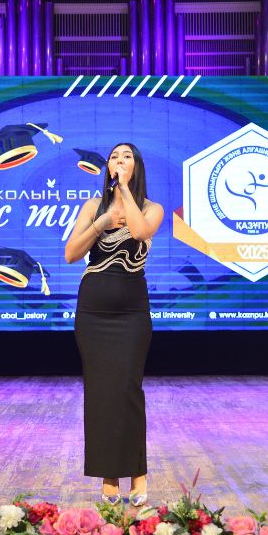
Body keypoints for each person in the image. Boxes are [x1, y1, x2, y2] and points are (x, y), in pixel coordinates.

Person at [65, 143, 164, 505]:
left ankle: (137, 473)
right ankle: (109, 476)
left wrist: (123, 191)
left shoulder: (151, 208)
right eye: (114, 157)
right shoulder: (93, 207)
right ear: (107, 165)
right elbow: (71, 253)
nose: (119, 161)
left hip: (132, 313)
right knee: (100, 392)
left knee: (128, 390)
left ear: (137, 166)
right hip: (93, 312)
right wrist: (102, 221)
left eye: (126, 157)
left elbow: (138, 232)